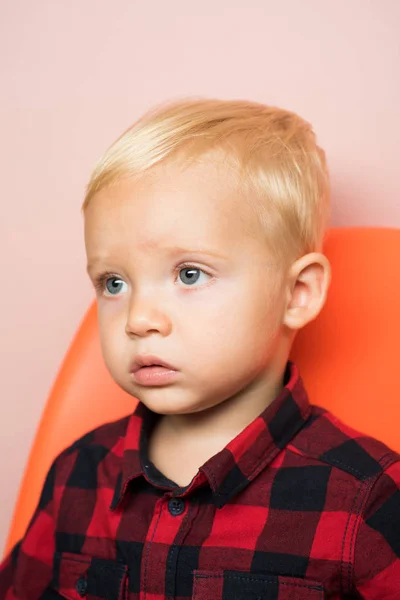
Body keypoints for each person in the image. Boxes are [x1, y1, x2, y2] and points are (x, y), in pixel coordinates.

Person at [1, 98, 399, 600]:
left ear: (297, 294)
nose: (139, 319)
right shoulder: (77, 475)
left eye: (190, 274)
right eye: (114, 282)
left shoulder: (367, 498)